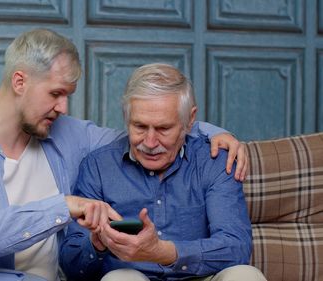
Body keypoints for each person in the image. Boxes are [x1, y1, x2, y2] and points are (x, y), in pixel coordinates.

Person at [0, 29, 249, 281]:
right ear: (19, 81)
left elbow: (143, 135)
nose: (63, 107)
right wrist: (63, 206)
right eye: (56, 93)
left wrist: (213, 132)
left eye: (67, 96)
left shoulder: (65, 133)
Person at [60, 63, 266, 281]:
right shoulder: (98, 166)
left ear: (190, 120)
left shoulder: (213, 161)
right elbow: (71, 268)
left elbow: (236, 247)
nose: (149, 142)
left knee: (246, 275)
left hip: (199, 276)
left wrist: (165, 252)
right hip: (130, 277)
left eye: (163, 129)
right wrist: (97, 244)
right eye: (139, 126)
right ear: (126, 118)